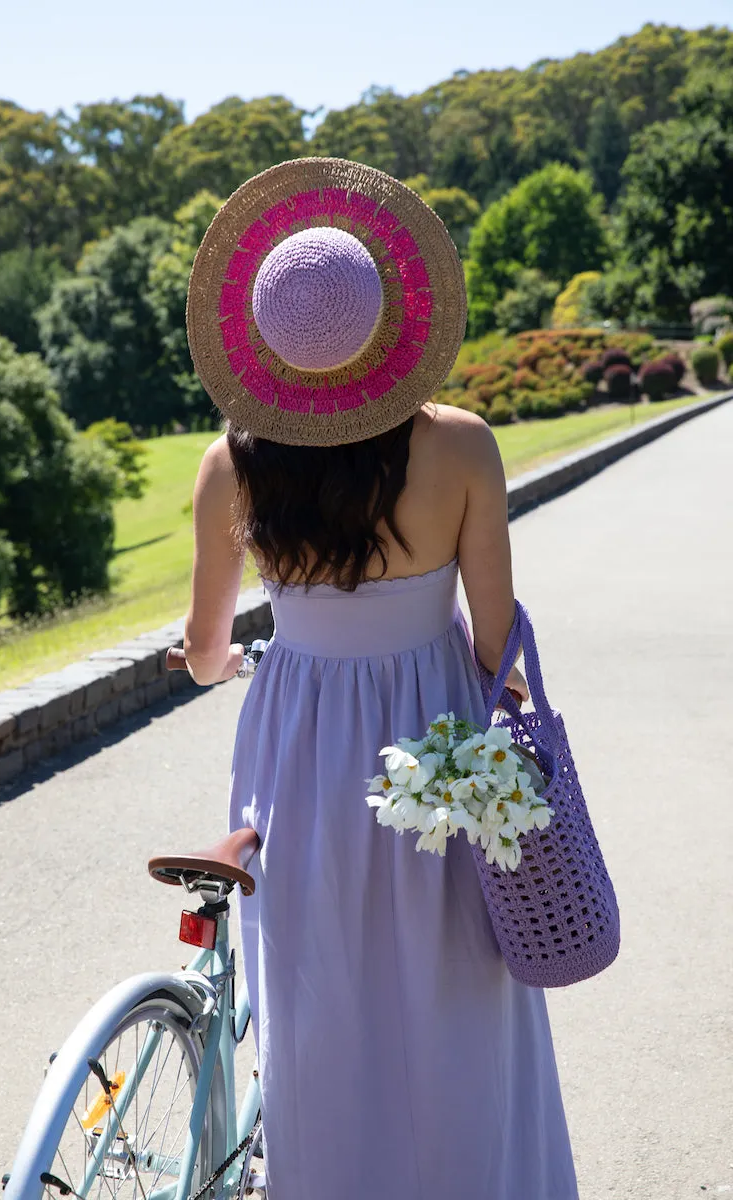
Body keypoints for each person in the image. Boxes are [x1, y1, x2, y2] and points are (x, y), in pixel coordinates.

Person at [181, 158, 578, 1200]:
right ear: (390, 320)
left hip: (296, 743)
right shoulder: (461, 448)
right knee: (457, 984)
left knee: (318, 999)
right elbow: (497, 646)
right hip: (438, 747)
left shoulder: (232, 467)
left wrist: (214, 668)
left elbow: (206, 645)